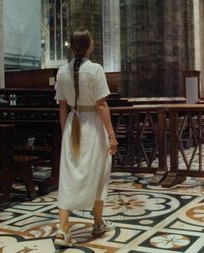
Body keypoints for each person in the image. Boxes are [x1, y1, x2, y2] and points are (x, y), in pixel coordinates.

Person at [53, 29, 118, 247]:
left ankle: (63, 230)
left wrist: (65, 132)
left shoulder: (62, 71)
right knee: (99, 172)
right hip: (93, 127)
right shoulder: (96, 69)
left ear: (72, 47)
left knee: (69, 175)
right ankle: (97, 222)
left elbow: (62, 107)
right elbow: (101, 104)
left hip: (73, 123)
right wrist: (111, 135)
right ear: (90, 46)